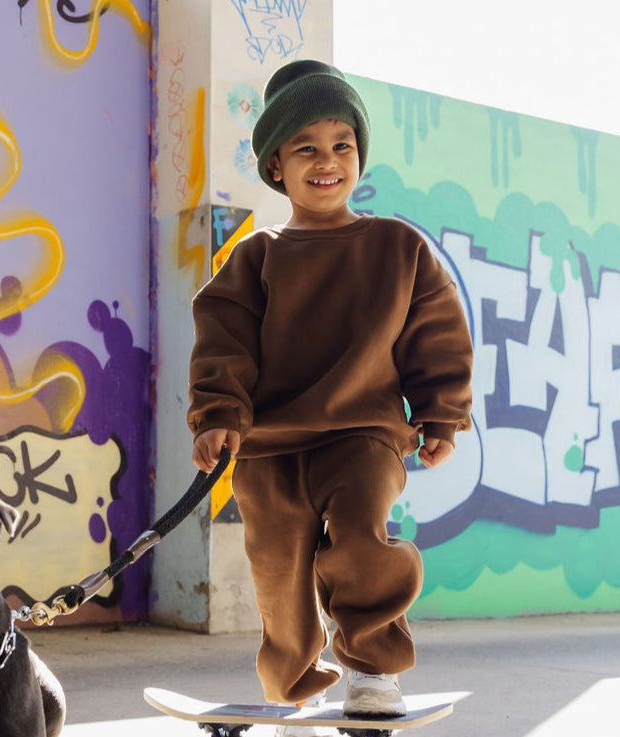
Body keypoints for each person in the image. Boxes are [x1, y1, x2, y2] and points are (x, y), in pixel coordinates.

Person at [187, 58, 473, 728]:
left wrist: (440, 417)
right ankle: (292, 678)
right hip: (270, 446)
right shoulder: (255, 259)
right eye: (306, 148)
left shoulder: (399, 248)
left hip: (364, 435)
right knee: (278, 567)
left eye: (342, 145)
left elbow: (437, 334)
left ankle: (371, 666)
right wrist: (218, 415)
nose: (328, 161)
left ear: (359, 156)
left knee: (362, 539)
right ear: (276, 166)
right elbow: (223, 342)